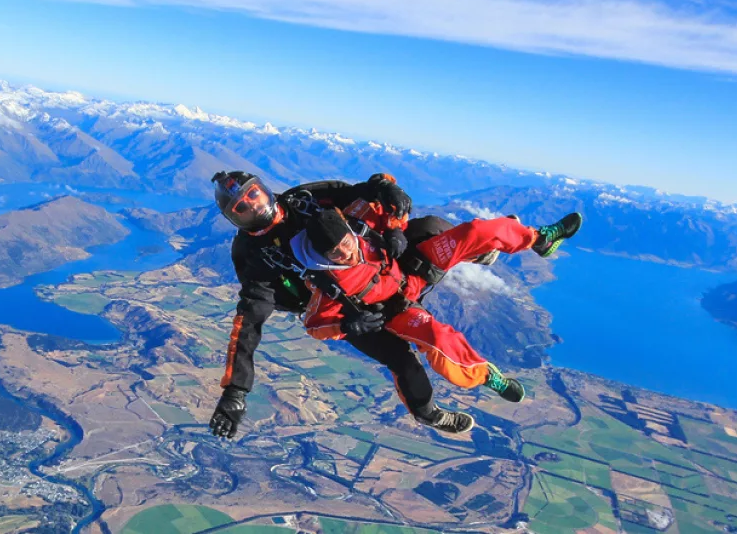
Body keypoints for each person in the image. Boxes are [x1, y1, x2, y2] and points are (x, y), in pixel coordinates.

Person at [291, 202, 583, 433]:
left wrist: (394, 228)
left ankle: (538, 238)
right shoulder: (326, 283)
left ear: (347, 231)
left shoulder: (359, 226)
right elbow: (315, 325)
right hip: (396, 311)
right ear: (322, 254)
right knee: (438, 338)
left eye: (345, 243)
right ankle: (485, 375)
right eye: (335, 252)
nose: (345, 252)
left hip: (412, 269)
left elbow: (388, 198)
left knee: (473, 232)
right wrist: (346, 325)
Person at [207, 170, 414, 439]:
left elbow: (362, 190)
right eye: (243, 207)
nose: (255, 205)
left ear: (264, 189)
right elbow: (248, 322)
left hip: (370, 263)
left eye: (254, 194)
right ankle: (428, 411)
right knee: (398, 356)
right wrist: (235, 390)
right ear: (235, 218)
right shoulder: (253, 254)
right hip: (337, 308)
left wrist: (389, 191)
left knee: (429, 231)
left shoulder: (304, 198)